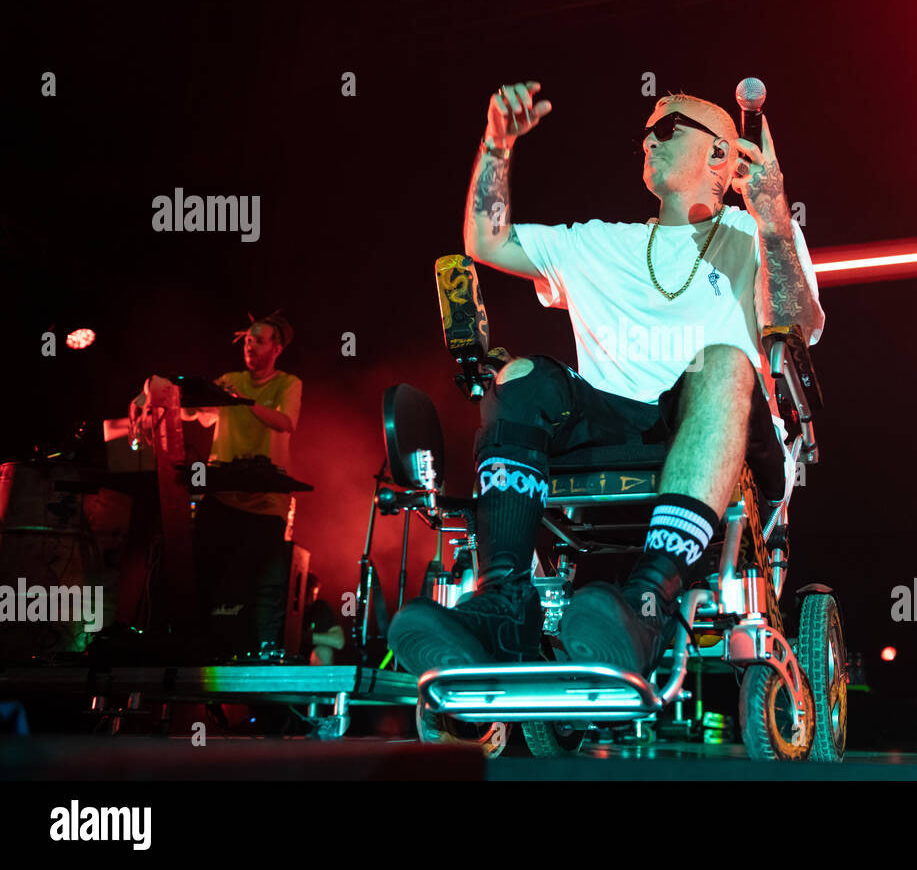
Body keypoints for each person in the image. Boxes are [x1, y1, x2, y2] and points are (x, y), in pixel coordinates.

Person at [388, 82, 825, 678]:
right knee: (520, 375)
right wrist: (497, 143)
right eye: (646, 131)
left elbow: (796, 325)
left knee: (723, 357)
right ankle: (501, 603)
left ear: (721, 155)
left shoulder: (758, 236)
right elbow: (487, 242)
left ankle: (647, 601)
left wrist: (772, 212)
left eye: (668, 129)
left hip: (717, 427)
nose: (649, 139)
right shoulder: (601, 242)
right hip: (613, 427)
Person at [134, 312, 303, 657]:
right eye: (248, 340)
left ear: (277, 348)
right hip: (222, 495)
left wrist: (243, 401)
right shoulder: (230, 379)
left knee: (251, 583)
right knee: (199, 570)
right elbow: (191, 408)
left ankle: (246, 653)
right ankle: (188, 646)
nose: (250, 345)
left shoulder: (288, 384)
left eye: (259, 340)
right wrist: (149, 396)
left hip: (266, 503)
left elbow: (286, 422)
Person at [301, 574, 345, 665]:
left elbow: (338, 641)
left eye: (314, 594)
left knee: (324, 651)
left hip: (308, 664)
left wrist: (303, 637)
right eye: (309, 593)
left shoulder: (319, 608)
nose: (312, 598)